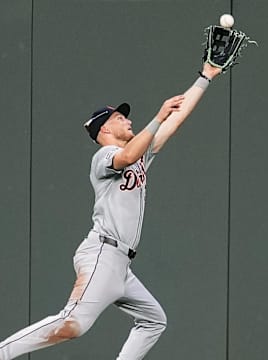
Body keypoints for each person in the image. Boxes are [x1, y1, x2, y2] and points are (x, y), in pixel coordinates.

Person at [0, 62, 221, 360]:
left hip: (121, 265)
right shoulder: (103, 156)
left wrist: (205, 77)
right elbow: (128, 154)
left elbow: (175, 119)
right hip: (102, 254)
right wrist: (157, 116)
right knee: (72, 325)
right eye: (120, 117)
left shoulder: (141, 154)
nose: (128, 120)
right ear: (105, 128)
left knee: (154, 320)